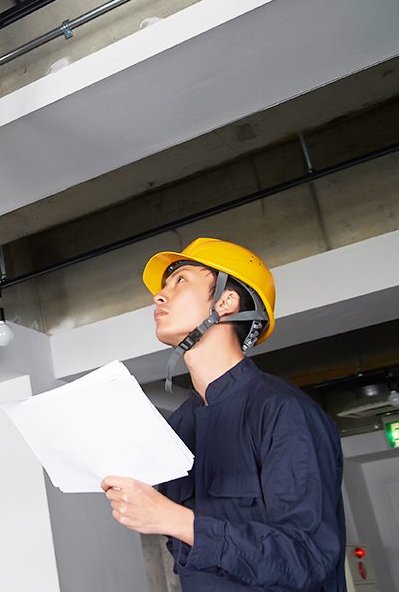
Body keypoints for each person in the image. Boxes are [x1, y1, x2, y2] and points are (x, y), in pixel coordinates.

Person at [101, 238, 345, 590]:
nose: (159, 296)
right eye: (163, 286)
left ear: (226, 302)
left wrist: (175, 519)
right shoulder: (178, 426)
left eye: (180, 280)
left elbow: (307, 557)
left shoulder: (282, 409)